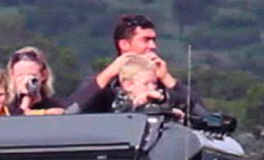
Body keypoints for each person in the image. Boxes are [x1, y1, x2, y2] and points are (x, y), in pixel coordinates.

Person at [67, 13, 204, 116]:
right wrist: (108, 74)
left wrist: (167, 79)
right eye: (146, 40)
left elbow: (202, 114)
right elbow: (70, 112)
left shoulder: (162, 87)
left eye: (154, 40)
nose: (153, 46)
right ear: (124, 45)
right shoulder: (104, 86)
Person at [5, 46, 69, 115]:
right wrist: (25, 102)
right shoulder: (3, 107)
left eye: (32, 75)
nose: (26, 80)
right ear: (12, 75)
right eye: (21, 75)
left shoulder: (55, 107)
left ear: (43, 75)